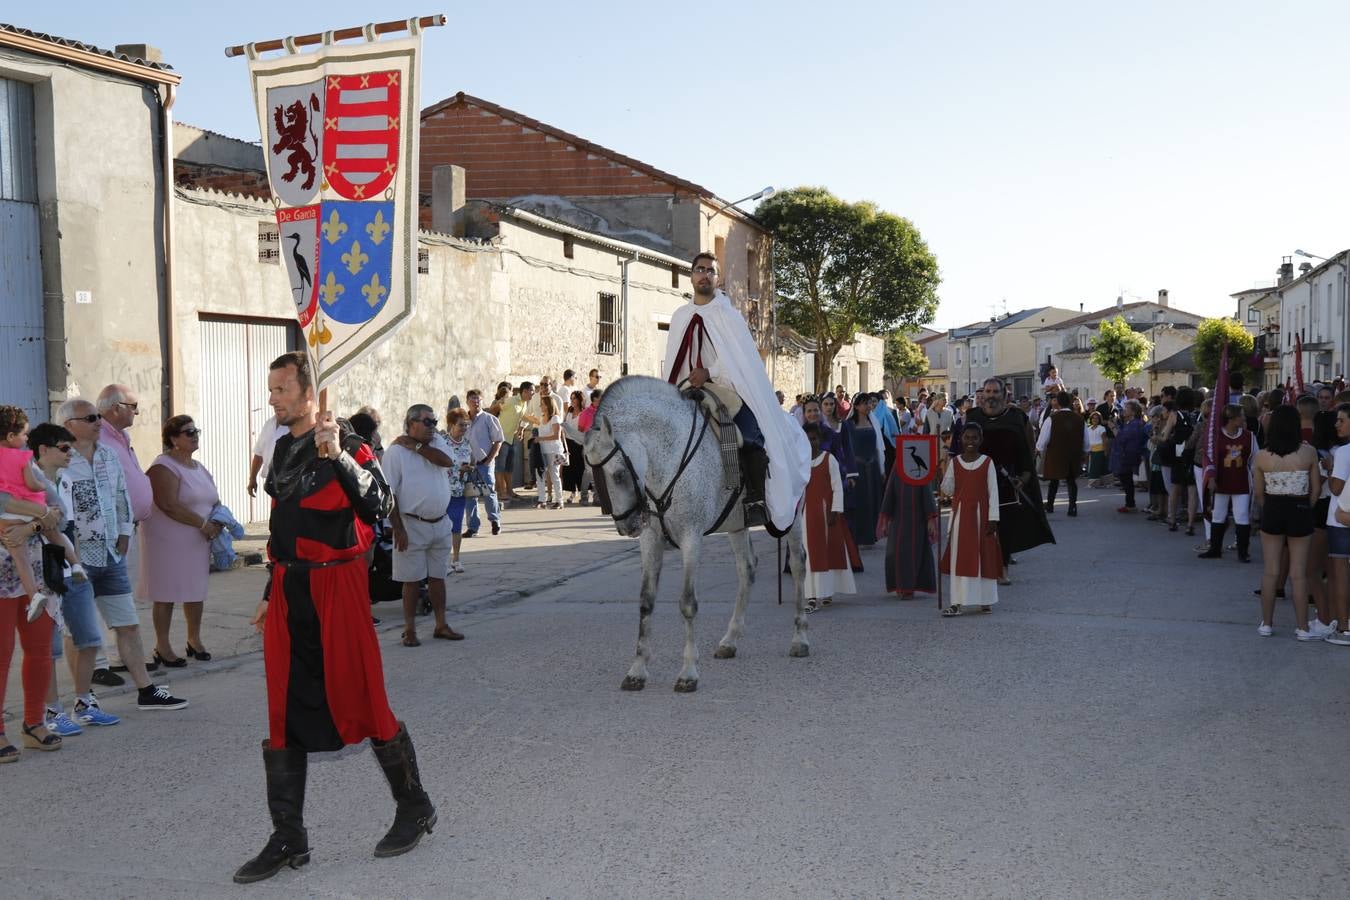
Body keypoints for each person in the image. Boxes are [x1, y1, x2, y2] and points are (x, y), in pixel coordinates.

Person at [236, 352, 436, 884]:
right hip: (288, 585)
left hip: (339, 585)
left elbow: (379, 505)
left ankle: (414, 805)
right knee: (281, 706)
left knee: (362, 697)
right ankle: (289, 837)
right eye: (271, 388)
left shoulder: (347, 443)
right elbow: (283, 526)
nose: (273, 398)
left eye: (281, 389)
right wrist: (266, 589)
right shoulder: (279, 448)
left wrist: (339, 458)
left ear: (309, 393)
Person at [663, 252, 809, 533]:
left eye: (711, 271)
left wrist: (709, 373)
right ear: (691, 275)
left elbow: (740, 362)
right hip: (686, 391)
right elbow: (673, 361)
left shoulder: (728, 317)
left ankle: (755, 500)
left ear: (718, 279)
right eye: (700, 269)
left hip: (727, 389)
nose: (705, 275)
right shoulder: (680, 316)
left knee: (751, 436)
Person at [60, 398, 188, 711]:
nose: (98, 422)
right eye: (90, 418)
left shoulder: (107, 454)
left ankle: (146, 691)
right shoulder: (58, 459)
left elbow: (122, 496)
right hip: (76, 559)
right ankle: (83, 696)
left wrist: (124, 535)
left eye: (97, 416)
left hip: (110, 555)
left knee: (127, 624)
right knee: (78, 631)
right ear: (69, 425)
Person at [31, 423, 120, 734]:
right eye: (64, 448)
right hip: (44, 563)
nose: (71, 453)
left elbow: (74, 525)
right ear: (44, 450)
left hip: (70, 562)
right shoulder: (29, 481)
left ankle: (83, 704)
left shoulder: (66, 480)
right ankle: (52, 712)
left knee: (90, 638)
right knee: (48, 647)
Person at [141, 415, 223, 665]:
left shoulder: (198, 466)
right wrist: (202, 524)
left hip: (197, 539)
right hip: (167, 540)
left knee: (194, 590)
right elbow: (168, 504)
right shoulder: (163, 466)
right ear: (174, 439)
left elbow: (213, 499)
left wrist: (218, 520)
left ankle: (194, 640)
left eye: (196, 430)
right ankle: (162, 647)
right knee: (165, 592)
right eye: (189, 432)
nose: (195, 435)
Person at [383, 403, 462, 647]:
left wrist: (417, 447)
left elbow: (447, 461)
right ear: (411, 424)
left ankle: (441, 624)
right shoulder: (395, 453)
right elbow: (390, 494)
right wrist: (397, 529)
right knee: (412, 580)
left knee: (438, 576)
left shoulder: (435, 442)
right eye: (427, 422)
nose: (432, 427)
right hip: (412, 523)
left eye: (434, 422)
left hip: (439, 522)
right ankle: (410, 630)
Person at [93, 384, 155, 686]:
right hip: (107, 533)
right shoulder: (97, 436)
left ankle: (118, 657)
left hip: (125, 530)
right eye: (133, 405)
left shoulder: (120, 436)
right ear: (115, 407)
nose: (137, 411)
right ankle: (99, 662)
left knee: (120, 596)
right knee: (99, 598)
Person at [0, 405, 85, 620]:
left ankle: (34, 594)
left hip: (23, 541)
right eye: (24, 433)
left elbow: (55, 514)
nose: (27, 438)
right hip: (8, 569)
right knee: (54, 535)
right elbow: (38, 488)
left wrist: (35, 522)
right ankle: (75, 564)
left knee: (21, 553)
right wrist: (41, 506)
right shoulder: (23, 459)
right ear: (11, 436)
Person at [965, 377, 1052, 580]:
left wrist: (1024, 476)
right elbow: (964, 446)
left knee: (1003, 525)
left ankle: (1003, 567)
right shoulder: (972, 416)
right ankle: (979, 566)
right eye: (987, 392)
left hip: (1006, 480)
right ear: (982, 394)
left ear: (1004, 395)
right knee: (978, 523)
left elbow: (1026, 450)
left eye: (995, 392)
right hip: (977, 477)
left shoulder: (1016, 417)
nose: (991, 396)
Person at [1252, 405, 1321, 639]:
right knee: (1298, 573)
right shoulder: (1308, 453)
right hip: (1299, 507)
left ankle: (1266, 624)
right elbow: (1316, 490)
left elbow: (1259, 494)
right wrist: (1305, 507)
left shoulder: (1262, 456)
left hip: (1272, 507)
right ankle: (1302, 627)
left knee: (1271, 571)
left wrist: (1268, 506)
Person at [0, 493, 61, 757]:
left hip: (36, 569)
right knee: (1, 655)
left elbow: (58, 512)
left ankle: (34, 723)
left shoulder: (28, 468)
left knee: (40, 651)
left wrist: (29, 527)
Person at [939, 421, 1002, 616]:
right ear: (961, 439)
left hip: (982, 516)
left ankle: (985, 600)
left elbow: (993, 492)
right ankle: (957, 602)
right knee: (961, 557)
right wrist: (940, 474)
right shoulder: (955, 462)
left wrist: (993, 519)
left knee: (984, 556)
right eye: (967, 437)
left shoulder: (987, 462)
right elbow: (947, 490)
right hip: (961, 517)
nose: (971, 441)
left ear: (981, 439)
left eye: (975, 437)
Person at [800, 424, 854, 613]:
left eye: (814, 438)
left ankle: (826, 591)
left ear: (820, 440)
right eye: (807, 438)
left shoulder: (829, 459)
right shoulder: (801, 461)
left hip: (826, 512)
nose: (810, 442)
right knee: (810, 555)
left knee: (827, 553)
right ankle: (812, 596)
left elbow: (837, 485)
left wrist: (835, 510)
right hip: (808, 515)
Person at [1198, 405, 1257, 562]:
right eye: (1241, 416)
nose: (1244, 419)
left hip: (1242, 482)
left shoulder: (1249, 436)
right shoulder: (1216, 437)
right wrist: (1210, 477)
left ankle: (1243, 552)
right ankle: (1215, 549)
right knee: (1218, 514)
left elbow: (1255, 460)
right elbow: (1209, 458)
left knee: (1242, 515)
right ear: (1232, 419)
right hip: (1221, 482)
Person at [876, 467, 938, 600]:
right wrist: (886, 519)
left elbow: (927, 493)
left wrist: (930, 518)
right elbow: (890, 492)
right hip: (899, 518)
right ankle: (900, 586)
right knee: (897, 554)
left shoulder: (920, 469)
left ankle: (909, 588)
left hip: (918, 519)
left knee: (915, 553)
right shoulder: (897, 469)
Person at [1038, 391, 1088, 516]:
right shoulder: (1080, 419)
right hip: (1073, 454)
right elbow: (1086, 440)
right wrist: (1085, 452)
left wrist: (1039, 448)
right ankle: (1072, 507)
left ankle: (1050, 505)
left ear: (1058, 403)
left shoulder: (1052, 419)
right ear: (1070, 402)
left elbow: (1043, 439)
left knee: (1054, 480)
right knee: (1071, 481)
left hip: (1056, 454)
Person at [463, 389, 504, 536]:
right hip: (467, 465)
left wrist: (489, 459)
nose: (476, 402)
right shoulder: (463, 420)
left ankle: (495, 521)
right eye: (473, 399)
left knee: (489, 493)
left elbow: (498, 440)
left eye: (478, 399)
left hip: (484, 462)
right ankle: (473, 528)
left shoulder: (489, 419)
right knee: (470, 496)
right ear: (467, 401)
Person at [440, 408, 474, 575]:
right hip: (441, 491)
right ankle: (444, 561)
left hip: (459, 491)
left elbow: (471, 460)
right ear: (451, 424)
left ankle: (456, 559)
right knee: (443, 528)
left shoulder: (467, 443)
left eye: (466, 425)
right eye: (461, 425)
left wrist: (467, 469)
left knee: (456, 526)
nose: (464, 428)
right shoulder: (442, 441)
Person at [846, 394, 883, 546]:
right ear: (856, 406)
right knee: (859, 501)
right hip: (857, 468)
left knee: (872, 501)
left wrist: (881, 468)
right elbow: (846, 448)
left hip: (872, 467)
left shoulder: (873, 422)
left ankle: (871, 536)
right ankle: (858, 536)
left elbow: (879, 447)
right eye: (864, 403)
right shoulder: (848, 424)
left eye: (869, 403)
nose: (868, 406)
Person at [1111, 400, 1147, 513]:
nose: (1124, 410)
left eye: (1127, 408)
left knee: (1126, 478)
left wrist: (1113, 428)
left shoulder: (1135, 423)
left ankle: (1130, 504)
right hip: (1126, 454)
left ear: (1133, 411)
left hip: (1129, 454)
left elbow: (1122, 437)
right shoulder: (1129, 422)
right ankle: (1130, 503)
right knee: (1125, 479)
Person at [535, 395, 565, 510]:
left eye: (542, 404)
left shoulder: (555, 418)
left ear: (548, 405)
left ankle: (559, 501)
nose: (540, 406)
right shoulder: (542, 418)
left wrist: (540, 439)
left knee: (554, 476)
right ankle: (542, 500)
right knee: (540, 474)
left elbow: (556, 436)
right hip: (543, 451)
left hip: (554, 450)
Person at [248, 414, 288, 500]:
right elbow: (259, 453)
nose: (273, 401)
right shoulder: (269, 423)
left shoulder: (297, 425)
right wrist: (252, 478)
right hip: (272, 483)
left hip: (290, 485)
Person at [562, 390, 588, 504]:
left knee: (579, 468)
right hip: (568, 442)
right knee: (569, 469)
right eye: (571, 398)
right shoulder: (569, 411)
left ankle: (583, 492)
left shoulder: (583, 413)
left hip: (578, 442)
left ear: (579, 400)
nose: (572, 401)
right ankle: (572, 492)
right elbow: (563, 424)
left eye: (574, 398)